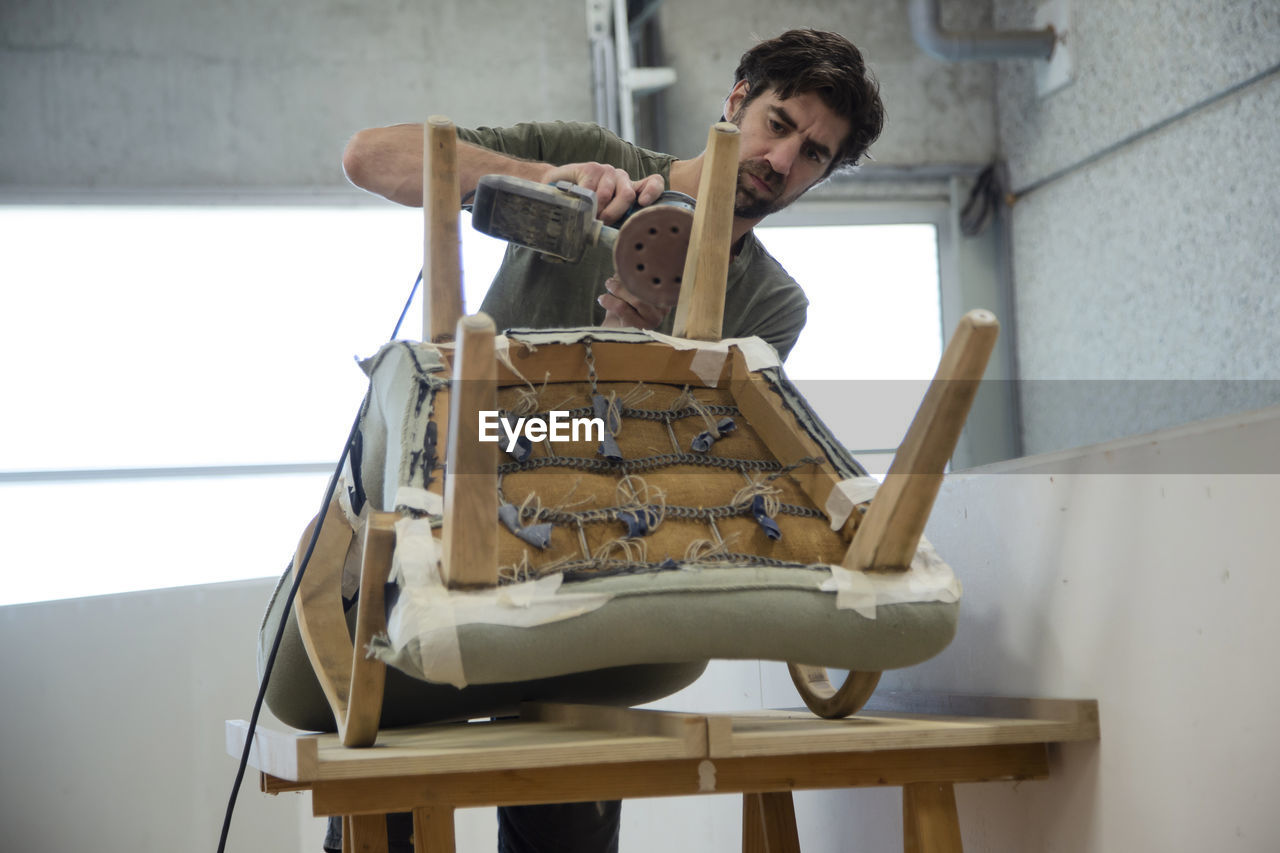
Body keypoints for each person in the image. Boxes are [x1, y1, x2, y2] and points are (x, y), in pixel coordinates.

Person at [329, 27, 884, 853]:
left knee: (566, 832)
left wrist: (635, 366)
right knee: (391, 812)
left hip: (588, 568)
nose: (783, 158)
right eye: (778, 123)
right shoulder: (592, 155)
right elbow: (372, 157)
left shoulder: (770, 304)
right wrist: (546, 179)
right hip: (447, 513)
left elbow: (706, 466)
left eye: (813, 154)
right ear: (736, 101)